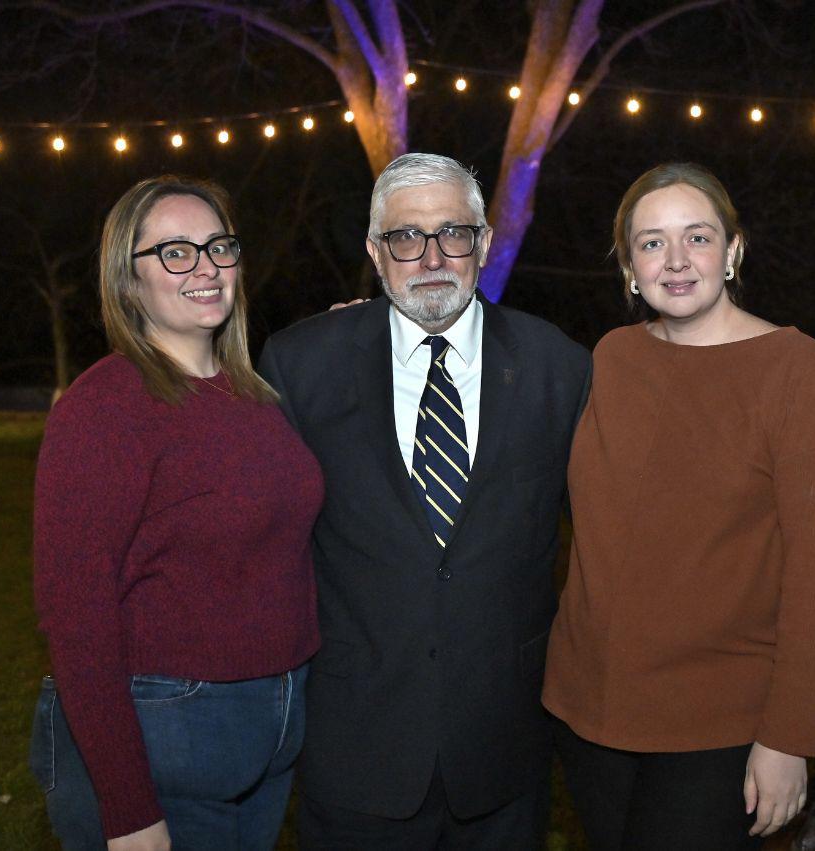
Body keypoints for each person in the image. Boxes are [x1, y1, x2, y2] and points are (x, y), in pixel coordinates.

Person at [257, 152, 591, 850]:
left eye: (454, 233)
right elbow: (260, 547)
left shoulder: (557, 366)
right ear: (377, 253)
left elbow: (607, 537)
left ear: (485, 243)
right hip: (356, 749)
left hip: (503, 750)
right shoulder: (301, 364)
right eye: (407, 237)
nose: (432, 256)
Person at [543, 163, 815, 850]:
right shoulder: (612, 357)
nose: (677, 260)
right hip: (585, 714)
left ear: (734, 251)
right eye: (652, 243)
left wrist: (788, 736)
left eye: (698, 237)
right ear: (629, 266)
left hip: (717, 727)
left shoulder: (794, 369)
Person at [30, 175, 323, 850]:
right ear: (127, 280)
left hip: (268, 737)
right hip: (165, 739)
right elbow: (76, 616)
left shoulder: (256, 397)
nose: (207, 267)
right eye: (175, 252)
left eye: (219, 246)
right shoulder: (104, 409)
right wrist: (128, 809)